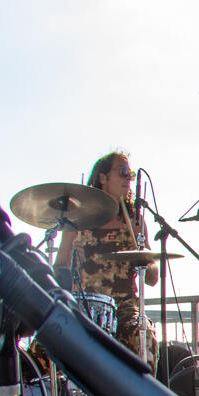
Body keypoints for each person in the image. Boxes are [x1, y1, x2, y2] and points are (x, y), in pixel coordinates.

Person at [54, 151, 160, 360]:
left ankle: (136, 392)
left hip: (125, 306)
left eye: (130, 173)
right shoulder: (77, 220)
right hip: (85, 302)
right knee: (46, 342)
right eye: (122, 172)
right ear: (102, 178)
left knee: (144, 338)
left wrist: (145, 257)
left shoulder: (135, 220)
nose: (128, 178)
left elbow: (152, 278)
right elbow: (60, 266)